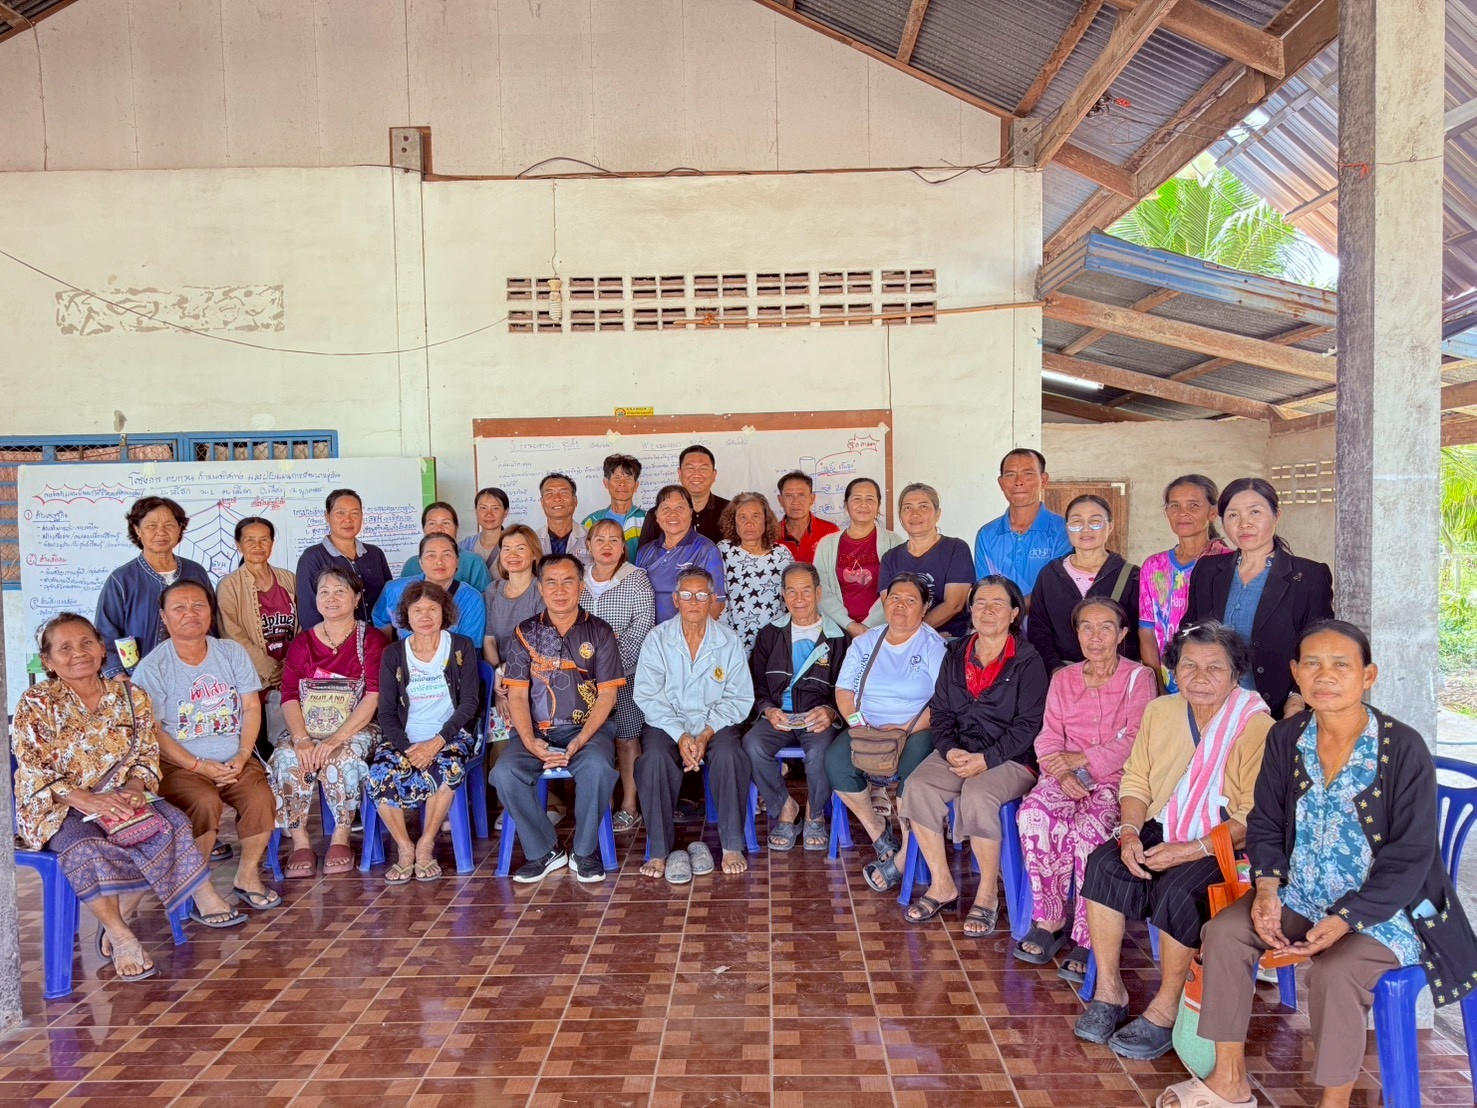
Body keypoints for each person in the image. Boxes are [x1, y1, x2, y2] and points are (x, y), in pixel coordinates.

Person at [1166, 620, 1477, 1108]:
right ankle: (1230, 1081)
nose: (1324, 675)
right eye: (1312, 663)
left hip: (1388, 911)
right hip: (1302, 893)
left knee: (1334, 973)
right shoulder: (1288, 737)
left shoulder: (1402, 749)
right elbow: (1265, 821)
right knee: (1225, 932)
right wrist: (1267, 889)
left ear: (1368, 675)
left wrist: (1346, 919)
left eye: (1341, 665)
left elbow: (1411, 855)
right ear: (1295, 672)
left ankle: (1333, 1102)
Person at [1073, 621, 1272, 1062]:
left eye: (1214, 668)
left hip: (1223, 839)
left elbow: (1252, 815)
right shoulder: (1162, 711)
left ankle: (1166, 1008)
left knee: (1181, 889)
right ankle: (1110, 993)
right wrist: (1127, 833)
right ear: (1173, 672)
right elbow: (1137, 779)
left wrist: (1191, 850)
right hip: (1165, 820)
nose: (1199, 677)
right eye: (1189, 666)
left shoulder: (1255, 726)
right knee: (1105, 864)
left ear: (1236, 674)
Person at [13, 614, 248, 978]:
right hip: (58, 805)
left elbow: (145, 754)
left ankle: (135, 911)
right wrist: (88, 801)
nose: (79, 653)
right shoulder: (36, 702)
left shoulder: (129, 695)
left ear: (101, 648)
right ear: (48, 661)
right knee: (86, 847)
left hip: (122, 796)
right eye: (65, 648)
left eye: (87, 643)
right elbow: (32, 767)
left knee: (170, 822)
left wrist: (137, 788)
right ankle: (122, 935)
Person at [897, 576, 1049, 932]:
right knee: (918, 785)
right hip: (959, 751)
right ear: (970, 609)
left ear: (1014, 613)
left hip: (1011, 759)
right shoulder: (955, 654)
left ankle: (986, 896)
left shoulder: (1028, 661)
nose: (987, 611)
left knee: (979, 794)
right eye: (980, 603)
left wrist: (987, 759)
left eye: (997, 604)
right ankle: (942, 883)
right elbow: (942, 712)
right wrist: (949, 751)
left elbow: (1029, 726)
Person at [1015, 598, 1156, 979]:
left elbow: (1136, 739)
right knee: (1033, 815)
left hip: (1115, 779)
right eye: (1086, 628)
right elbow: (1048, 738)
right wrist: (1060, 775)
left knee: (1090, 831)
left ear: (1123, 634)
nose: (1096, 637)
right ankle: (1050, 921)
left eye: (1106, 627)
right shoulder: (1063, 678)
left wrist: (1082, 762)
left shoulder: (1139, 678)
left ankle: (1088, 933)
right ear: (1076, 634)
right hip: (1063, 776)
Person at [131, 579, 281, 913]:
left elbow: (252, 707)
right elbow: (153, 732)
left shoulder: (230, 653)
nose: (190, 614)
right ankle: (198, 886)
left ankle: (246, 875)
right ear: (164, 617)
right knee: (203, 802)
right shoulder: (153, 668)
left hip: (235, 758)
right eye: (179, 608)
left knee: (260, 797)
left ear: (210, 613)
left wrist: (243, 756)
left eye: (198, 606)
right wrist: (198, 766)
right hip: (180, 764)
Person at [493, 553, 624, 883]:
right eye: (551, 582)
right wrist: (530, 741)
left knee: (597, 768)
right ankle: (544, 851)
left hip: (588, 731)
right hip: (536, 731)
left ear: (581, 587)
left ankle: (583, 852)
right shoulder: (525, 633)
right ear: (540, 588)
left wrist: (581, 740)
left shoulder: (600, 631)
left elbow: (608, 694)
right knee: (506, 772)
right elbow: (518, 694)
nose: (560, 589)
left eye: (568, 581)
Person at [824, 573, 949, 893]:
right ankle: (880, 833)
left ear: (924, 608)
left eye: (911, 601)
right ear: (883, 601)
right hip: (866, 726)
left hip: (917, 727)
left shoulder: (934, 646)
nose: (901, 606)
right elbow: (844, 690)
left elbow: (943, 702)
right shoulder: (866, 641)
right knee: (837, 762)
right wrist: (857, 723)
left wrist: (907, 728)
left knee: (914, 775)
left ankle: (906, 856)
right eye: (895, 598)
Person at [633, 566, 754, 882]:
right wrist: (681, 734)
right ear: (675, 600)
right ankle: (659, 849)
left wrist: (706, 733)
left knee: (730, 755)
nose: (694, 602)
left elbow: (740, 697)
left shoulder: (728, 641)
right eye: (687, 595)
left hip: (716, 724)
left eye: (702, 595)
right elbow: (648, 695)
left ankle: (731, 845)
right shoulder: (657, 639)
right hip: (667, 724)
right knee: (654, 759)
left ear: (713, 599)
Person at [1185, 476, 1334, 719]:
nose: (1244, 524)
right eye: (1233, 515)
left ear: (1276, 515)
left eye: (1255, 512)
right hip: (1213, 706)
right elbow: (1190, 629)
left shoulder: (1308, 576)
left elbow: (1320, 647)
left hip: (1277, 710)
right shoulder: (1208, 570)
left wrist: (1296, 700)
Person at [270, 566, 384, 878]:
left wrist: (336, 739)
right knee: (286, 757)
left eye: (340, 591)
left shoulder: (370, 640)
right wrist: (301, 738)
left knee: (342, 758)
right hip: (307, 728)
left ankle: (341, 835)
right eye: (324, 592)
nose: (331, 598)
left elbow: (373, 695)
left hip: (358, 728)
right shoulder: (302, 643)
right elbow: (289, 694)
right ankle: (300, 839)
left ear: (357, 597)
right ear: (316, 600)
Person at [370, 580, 481, 883]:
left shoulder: (460, 647)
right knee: (379, 773)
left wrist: (438, 741)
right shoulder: (394, 653)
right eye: (416, 610)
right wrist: (407, 747)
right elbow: (387, 712)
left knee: (449, 767)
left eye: (432, 609)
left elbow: (471, 702)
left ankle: (426, 844)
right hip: (406, 738)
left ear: (444, 612)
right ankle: (405, 847)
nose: (425, 616)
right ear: (405, 615)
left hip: (450, 735)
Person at [744, 562, 849, 852]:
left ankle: (815, 813)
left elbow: (848, 688)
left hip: (817, 717)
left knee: (819, 752)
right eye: (792, 592)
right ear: (783, 595)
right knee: (751, 744)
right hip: (779, 715)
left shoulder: (838, 637)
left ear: (818, 593)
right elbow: (756, 684)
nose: (799, 599)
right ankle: (785, 807)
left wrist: (830, 712)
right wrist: (768, 710)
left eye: (806, 591)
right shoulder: (770, 634)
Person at [580, 517, 657, 833]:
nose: (607, 546)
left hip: (626, 673)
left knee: (626, 737)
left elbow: (642, 625)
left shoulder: (636, 579)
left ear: (624, 547)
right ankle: (600, 802)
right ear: (588, 546)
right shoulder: (577, 580)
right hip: (582, 678)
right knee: (593, 738)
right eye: (600, 539)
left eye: (614, 540)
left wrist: (609, 667)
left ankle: (629, 803)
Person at [95, 496, 215, 677]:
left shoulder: (195, 572)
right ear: (137, 530)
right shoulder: (122, 579)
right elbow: (105, 635)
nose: (161, 532)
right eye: (152, 526)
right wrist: (121, 677)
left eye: (169, 525)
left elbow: (212, 622)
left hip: (197, 673)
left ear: (179, 529)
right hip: (141, 677)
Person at [1028, 495, 1142, 672]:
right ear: (1067, 528)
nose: (1086, 529)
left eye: (1095, 522)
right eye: (1076, 522)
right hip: (1063, 676)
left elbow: (1140, 633)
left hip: (1117, 678)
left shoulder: (1133, 576)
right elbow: (1039, 630)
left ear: (1110, 526)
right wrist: (1055, 669)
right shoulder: (1050, 575)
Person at [1138, 474, 1231, 690]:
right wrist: (1158, 686)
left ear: (1212, 512)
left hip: (1215, 682)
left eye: (1193, 505)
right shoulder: (1153, 566)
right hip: (1167, 683)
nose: (1183, 513)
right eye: (1175, 506)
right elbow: (1147, 630)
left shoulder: (1228, 564)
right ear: (1166, 512)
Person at [215, 516, 297, 758]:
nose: (258, 546)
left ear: (272, 544)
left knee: (289, 742)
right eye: (250, 540)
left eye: (264, 540)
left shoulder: (288, 578)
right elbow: (231, 633)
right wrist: (269, 668)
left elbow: (302, 625)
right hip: (253, 679)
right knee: (260, 745)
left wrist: (288, 666)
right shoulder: (229, 585)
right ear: (238, 545)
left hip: (289, 674)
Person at [972, 448, 1071, 596]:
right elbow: (986, 589)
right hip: (1001, 618)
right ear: (1001, 483)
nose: (1018, 482)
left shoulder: (1063, 531)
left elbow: (1056, 589)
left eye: (1028, 474)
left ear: (1043, 480)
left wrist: (1013, 610)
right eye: (1010, 475)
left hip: (1047, 619)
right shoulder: (987, 534)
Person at [814, 477, 905, 639]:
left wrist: (868, 626)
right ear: (845, 505)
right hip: (838, 631)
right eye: (857, 498)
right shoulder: (826, 544)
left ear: (878, 506)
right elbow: (822, 591)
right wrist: (849, 625)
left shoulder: (894, 541)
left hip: (884, 630)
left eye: (870, 499)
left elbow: (898, 590)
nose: (864, 504)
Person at [879, 483, 973, 638]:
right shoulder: (890, 558)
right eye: (907, 507)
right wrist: (914, 636)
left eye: (923, 507)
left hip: (949, 638)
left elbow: (954, 604)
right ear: (901, 516)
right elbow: (889, 607)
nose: (915, 513)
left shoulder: (956, 549)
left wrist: (919, 633)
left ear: (937, 514)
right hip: (905, 639)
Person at [295, 488, 393, 628]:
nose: (348, 519)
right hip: (337, 644)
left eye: (355, 513)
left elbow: (388, 602)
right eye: (340, 513)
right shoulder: (312, 557)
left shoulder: (375, 554)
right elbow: (308, 613)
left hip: (378, 641)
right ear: (327, 516)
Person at [481, 524, 547, 726]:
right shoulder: (493, 590)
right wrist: (498, 684)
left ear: (534, 554)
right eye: (506, 548)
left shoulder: (542, 590)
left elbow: (541, 644)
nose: (512, 554)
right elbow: (489, 641)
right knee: (501, 738)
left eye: (520, 548)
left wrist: (507, 677)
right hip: (500, 679)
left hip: (536, 678)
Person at [634, 485, 727, 624]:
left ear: (691, 514)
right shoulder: (644, 552)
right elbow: (633, 599)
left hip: (687, 638)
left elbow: (717, 604)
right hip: (649, 638)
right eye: (666, 508)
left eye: (680, 508)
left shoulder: (706, 549)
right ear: (657, 517)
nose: (673, 514)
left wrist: (687, 637)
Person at [717, 491, 795, 653]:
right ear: (734, 521)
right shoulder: (723, 551)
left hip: (774, 641)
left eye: (756, 516)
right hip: (732, 642)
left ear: (766, 520)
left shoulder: (782, 554)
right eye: (742, 517)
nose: (749, 523)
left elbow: (790, 601)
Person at [374, 533, 487, 644]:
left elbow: (470, 647)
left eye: (446, 555)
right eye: (431, 555)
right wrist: (391, 652)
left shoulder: (471, 599)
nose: (439, 562)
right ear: (420, 562)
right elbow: (380, 620)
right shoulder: (395, 589)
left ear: (457, 561)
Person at [637, 444, 729, 546]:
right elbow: (645, 556)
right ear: (680, 473)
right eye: (690, 469)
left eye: (703, 469)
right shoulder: (657, 514)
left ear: (714, 475)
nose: (697, 474)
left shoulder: (730, 510)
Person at [399, 502, 492, 592]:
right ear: (423, 529)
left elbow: (486, 598)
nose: (439, 528)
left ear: (456, 528)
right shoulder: (411, 564)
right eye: (432, 523)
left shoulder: (474, 561)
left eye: (446, 523)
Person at [580, 454, 647, 559]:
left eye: (628, 479)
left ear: (636, 485)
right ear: (606, 483)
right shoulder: (591, 521)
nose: (622, 483)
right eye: (617, 478)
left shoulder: (647, 519)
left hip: (638, 575)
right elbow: (584, 557)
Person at [775, 470, 839, 563]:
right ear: (780, 500)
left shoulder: (829, 531)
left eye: (801, 495)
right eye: (789, 496)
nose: (795, 502)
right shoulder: (771, 534)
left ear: (811, 498)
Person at [532, 472, 590, 560]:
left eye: (564, 493)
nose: (557, 498)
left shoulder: (591, 537)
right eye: (549, 494)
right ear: (542, 503)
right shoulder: (531, 541)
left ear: (575, 500)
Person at [460, 486, 509, 576]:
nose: (489, 514)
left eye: (495, 508)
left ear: (506, 512)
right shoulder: (465, 545)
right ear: (476, 511)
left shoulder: (513, 544)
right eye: (483, 508)